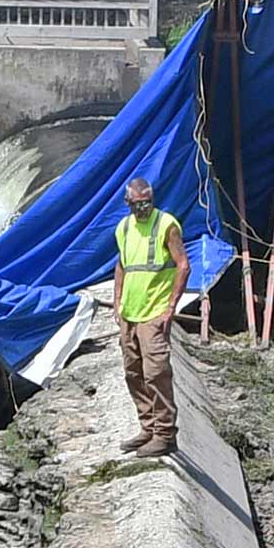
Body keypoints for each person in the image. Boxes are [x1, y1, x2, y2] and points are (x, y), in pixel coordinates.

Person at [110, 176, 185, 458]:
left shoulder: (166, 225)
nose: (143, 209)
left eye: (147, 204)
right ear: (127, 203)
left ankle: (165, 434)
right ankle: (149, 427)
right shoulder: (124, 227)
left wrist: (170, 308)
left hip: (154, 313)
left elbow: (183, 265)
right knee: (134, 372)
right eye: (137, 205)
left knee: (156, 373)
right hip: (130, 312)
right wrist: (118, 303)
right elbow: (122, 265)